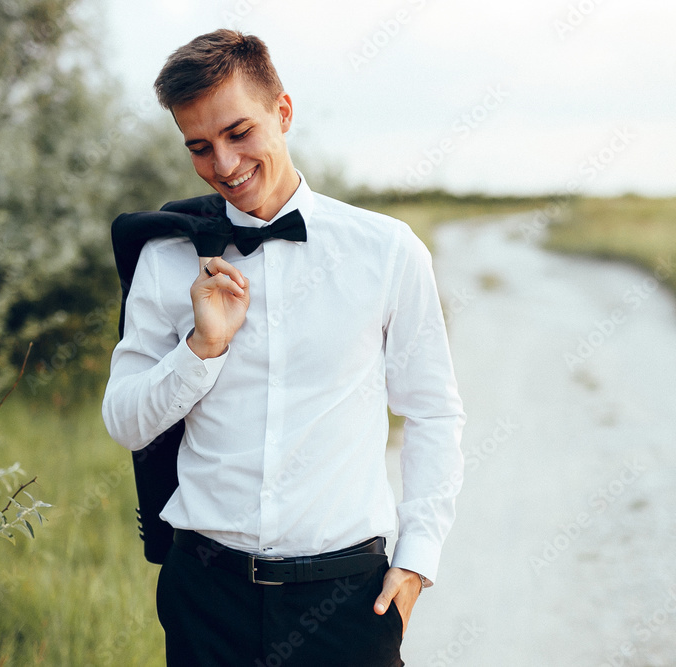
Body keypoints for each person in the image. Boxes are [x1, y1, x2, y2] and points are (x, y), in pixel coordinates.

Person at [101, 29, 465, 666]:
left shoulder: (387, 252)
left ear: (284, 112)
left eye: (239, 132)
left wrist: (416, 563)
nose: (224, 164)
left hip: (348, 602)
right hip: (205, 597)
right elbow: (125, 420)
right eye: (199, 146)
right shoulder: (164, 258)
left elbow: (432, 412)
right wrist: (201, 349)